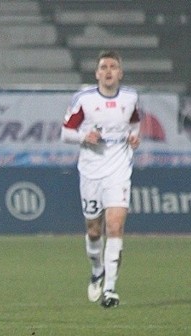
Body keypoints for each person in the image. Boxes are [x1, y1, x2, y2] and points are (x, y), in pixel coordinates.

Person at [61, 50, 140, 308]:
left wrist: (133, 138)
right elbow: (65, 132)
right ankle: (97, 271)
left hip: (118, 171)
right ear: (97, 73)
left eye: (113, 67)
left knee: (115, 227)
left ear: (120, 72)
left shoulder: (130, 98)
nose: (108, 71)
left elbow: (135, 123)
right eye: (103, 67)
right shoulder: (84, 100)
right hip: (91, 172)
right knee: (94, 230)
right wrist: (84, 137)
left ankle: (110, 290)